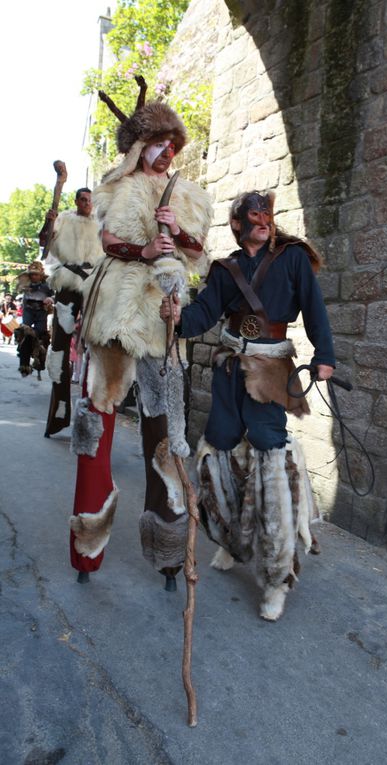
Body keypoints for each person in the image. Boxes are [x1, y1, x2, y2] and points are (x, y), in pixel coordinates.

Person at [161, 190, 335, 621]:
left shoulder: (292, 258)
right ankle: (231, 541)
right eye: (254, 215)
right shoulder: (226, 269)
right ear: (237, 224)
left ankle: (277, 577)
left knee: (269, 452)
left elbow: (314, 308)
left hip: (271, 371)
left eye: (268, 214)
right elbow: (204, 313)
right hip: (228, 369)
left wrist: (324, 354)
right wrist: (178, 316)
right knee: (219, 449)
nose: (264, 220)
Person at [70, 77, 212, 586]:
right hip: (115, 314)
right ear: (141, 146)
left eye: (172, 146)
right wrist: (144, 249)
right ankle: (87, 548)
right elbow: (108, 238)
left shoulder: (190, 195)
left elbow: (199, 255)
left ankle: (169, 554)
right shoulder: (118, 184)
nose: (167, 153)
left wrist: (180, 232)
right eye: (158, 144)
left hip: (162, 321)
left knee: (165, 435)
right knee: (97, 428)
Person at [40, 188, 104, 437]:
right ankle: (59, 412)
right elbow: (45, 242)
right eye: (83, 199)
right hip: (67, 284)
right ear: (77, 201)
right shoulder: (64, 219)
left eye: (90, 200)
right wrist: (49, 221)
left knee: (97, 344)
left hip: (93, 285)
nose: (87, 203)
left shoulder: (101, 223)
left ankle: (93, 414)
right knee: (59, 348)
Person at [15, 261, 53, 377]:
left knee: (41, 334)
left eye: (36, 274)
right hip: (28, 310)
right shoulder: (26, 283)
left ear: (41, 275)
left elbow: (54, 295)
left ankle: (40, 362)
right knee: (25, 332)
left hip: (41, 310)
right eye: (32, 274)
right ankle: (24, 364)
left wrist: (50, 299)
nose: (34, 277)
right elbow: (18, 288)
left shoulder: (47, 285)